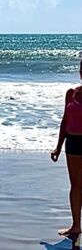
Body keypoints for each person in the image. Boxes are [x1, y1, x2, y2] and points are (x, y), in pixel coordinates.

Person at [51, 59, 82, 236]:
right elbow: (65, 121)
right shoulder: (71, 93)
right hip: (72, 142)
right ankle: (76, 225)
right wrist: (58, 147)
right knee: (75, 185)